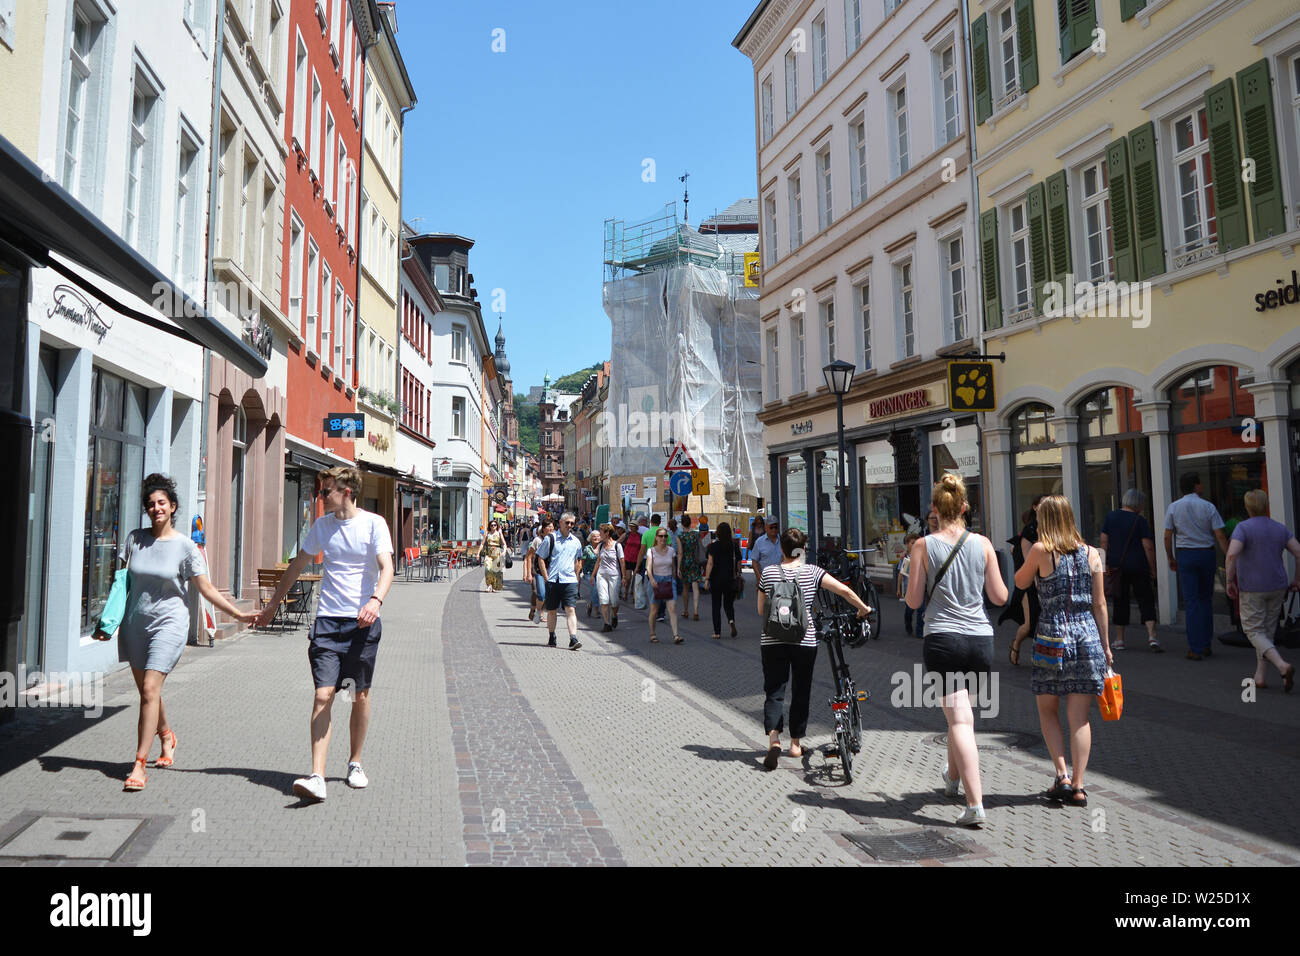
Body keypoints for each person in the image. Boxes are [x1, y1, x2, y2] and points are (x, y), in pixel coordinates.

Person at [93, 474, 257, 791]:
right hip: (135, 624)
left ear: (173, 507)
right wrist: (107, 623)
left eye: (162, 503)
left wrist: (237, 613)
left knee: (150, 690)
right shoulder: (135, 540)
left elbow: (205, 587)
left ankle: (139, 765)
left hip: (169, 625)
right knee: (148, 693)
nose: (156, 508)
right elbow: (120, 585)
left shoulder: (185, 547)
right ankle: (167, 735)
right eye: (151, 504)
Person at [256, 466, 395, 802]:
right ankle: (317, 775)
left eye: (326, 491)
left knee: (358, 695)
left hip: (362, 624)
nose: (321, 497)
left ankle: (355, 763)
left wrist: (376, 600)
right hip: (328, 623)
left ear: (346, 490)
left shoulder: (374, 524)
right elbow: (298, 565)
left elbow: (387, 567)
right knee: (323, 695)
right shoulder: (322, 527)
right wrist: (273, 604)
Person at [905, 474, 1008, 827]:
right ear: (965, 508)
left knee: (960, 719)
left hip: (944, 640)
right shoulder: (981, 543)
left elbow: (914, 600)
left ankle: (975, 804)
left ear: (935, 510)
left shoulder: (923, 545)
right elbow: (1000, 597)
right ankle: (951, 779)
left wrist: (911, 577)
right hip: (980, 641)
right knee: (959, 715)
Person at [1015, 495, 1111, 811]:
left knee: (1047, 710)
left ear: (1046, 522)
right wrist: (1107, 646)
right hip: (1087, 637)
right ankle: (1080, 787)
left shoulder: (1042, 550)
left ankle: (1062, 775)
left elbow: (1019, 582)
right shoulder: (1093, 553)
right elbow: (1100, 603)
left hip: (1051, 637)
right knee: (1080, 719)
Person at [759, 527, 872, 770]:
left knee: (774, 690)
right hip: (804, 640)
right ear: (803, 549)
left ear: (781, 548)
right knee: (801, 690)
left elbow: (761, 610)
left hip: (772, 641)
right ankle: (796, 744)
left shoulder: (768, 573)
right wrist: (863, 607)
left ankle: (774, 740)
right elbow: (843, 590)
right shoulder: (812, 572)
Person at [1225, 489, 1298, 691]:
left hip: (1252, 588)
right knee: (1267, 631)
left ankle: (1282, 666)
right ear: (1266, 505)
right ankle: (1260, 676)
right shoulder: (1279, 528)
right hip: (1278, 586)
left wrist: (1230, 581)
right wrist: (1297, 579)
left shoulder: (1243, 528)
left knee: (1253, 630)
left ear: (1247, 507)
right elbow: (1298, 552)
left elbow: (1231, 556)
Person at [1163, 472, 1229, 660]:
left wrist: (1170, 557)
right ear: (1196, 486)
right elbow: (1220, 535)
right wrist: (1230, 557)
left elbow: (1167, 536)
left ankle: (1195, 648)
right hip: (1206, 553)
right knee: (1205, 600)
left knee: (1191, 602)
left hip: (1185, 554)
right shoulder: (1208, 506)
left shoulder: (1174, 507)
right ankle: (1206, 644)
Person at [1099, 489, 1161, 652]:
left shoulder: (1110, 517)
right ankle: (1152, 636)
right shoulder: (1140, 520)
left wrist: (1103, 564)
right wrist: (1153, 569)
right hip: (1139, 566)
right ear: (1138, 504)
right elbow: (1148, 546)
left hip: (1116, 567)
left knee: (1120, 602)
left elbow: (1104, 541)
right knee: (1146, 599)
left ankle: (1119, 640)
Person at [1004, 497, 1044, 665]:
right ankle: (1016, 644)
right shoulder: (1029, 531)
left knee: (1045, 623)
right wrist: (1036, 580)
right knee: (1030, 624)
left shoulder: (1052, 529)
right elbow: (1029, 562)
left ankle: (1041, 657)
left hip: (1047, 581)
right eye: (1043, 503)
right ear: (1035, 507)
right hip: (1029, 583)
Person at [536, 512, 584, 650]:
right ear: (560, 523)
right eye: (567, 522)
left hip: (569, 581)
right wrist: (546, 578)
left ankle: (573, 638)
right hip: (553, 580)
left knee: (571, 609)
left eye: (572, 523)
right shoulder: (550, 539)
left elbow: (578, 560)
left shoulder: (575, 541)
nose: (569, 525)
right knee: (552, 611)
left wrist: (576, 575)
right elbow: (540, 558)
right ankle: (552, 636)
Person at [639, 524, 683, 643]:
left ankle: (676, 635)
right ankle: (653, 633)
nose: (663, 538)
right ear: (656, 538)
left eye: (665, 536)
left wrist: (674, 578)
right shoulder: (651, 551)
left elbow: (673, 567)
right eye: (661, 536)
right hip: (656, 582)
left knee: (672, 608)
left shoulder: (671, 551)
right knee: (654, 610)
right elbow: (648, 567)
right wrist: (652, 579)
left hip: (669, 581)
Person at [704, 521, 743, 639]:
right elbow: (739, 563)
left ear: (718, 533)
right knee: (728, 604)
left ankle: (717, 632)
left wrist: (706, 579)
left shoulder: (713, 546)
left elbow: (710, 563)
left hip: (716, 580)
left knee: (716, 605)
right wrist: (738, 574)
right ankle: (731, 621)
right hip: (730, 579)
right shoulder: (734, 546)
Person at [594, 523, 624, 632]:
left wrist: (624, 576)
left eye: (601, 532)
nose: (599, 534)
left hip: (614, 575)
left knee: (614, 600)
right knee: (604, 600)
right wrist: (593, 575)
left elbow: (622, 562)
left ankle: (614, 615)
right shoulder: (600, 546)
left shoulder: (617, 545)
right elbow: (598, 561)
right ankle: (606, 623)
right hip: (601, 575)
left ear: (607, 533)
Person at [526, 515, 555, 624]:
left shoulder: (555, 539)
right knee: (541, 594)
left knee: (548, 595)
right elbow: (528, 557)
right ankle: (536, 610)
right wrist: (528, 573)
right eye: (549, 527)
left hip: (551, 571)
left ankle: (540, 612)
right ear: (543, 528)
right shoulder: (538, 540)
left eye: (552, 527)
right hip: (538, 571)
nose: (551, 529)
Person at [678, 514, 703, 621]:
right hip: (695, 561)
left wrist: (678, 567)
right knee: (695, 586)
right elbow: (700, 547)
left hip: (685, 562)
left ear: (682, 524)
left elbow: (680, 552)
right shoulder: (696, 534)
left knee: (685, 587)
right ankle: (696, 611)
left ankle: (686, 610)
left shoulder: (680, 536)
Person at [750, 516, 782, 597]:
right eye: (771, 527)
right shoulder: (759, 542)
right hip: (766, 582)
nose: (774, 529)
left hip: (781, 582)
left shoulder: (783, 541)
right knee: (765, 608)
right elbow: (754, 562)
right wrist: (759, 578)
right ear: (766, 528)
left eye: (776, 527)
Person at [897, 532, 918, 635]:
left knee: (921, 609)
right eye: (912, 543)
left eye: (916, 543)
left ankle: (920, 630)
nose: (914, 545)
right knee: (910, 609)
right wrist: (898, 589)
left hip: (920, 586)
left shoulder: (921, 554)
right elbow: (901, 574)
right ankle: (908, 622)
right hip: (908, 587)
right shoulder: (905, 558)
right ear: (907, 544)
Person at [621, 517, 644, 601]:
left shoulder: (640, 536)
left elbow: (642, 548)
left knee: (635, 578)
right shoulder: (626, 534)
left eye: (633, 526)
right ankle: (625, 593)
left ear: (636, 527)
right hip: (627, 558)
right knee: (628, 578)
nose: (631, 527)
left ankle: (634, 596)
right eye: (630, 526)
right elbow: (618, 542)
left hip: (636, 560)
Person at [482, 520, 506, 592]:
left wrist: (504, 551)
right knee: (488, 569)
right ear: (489, 526)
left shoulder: (499, 534)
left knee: (496, 571)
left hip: (497, 553)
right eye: (492, 525)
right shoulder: (487, 534)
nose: (493, 526)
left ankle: (494, 586)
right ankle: (488, 585)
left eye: (495, 525)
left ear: (497, 526)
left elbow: (504, 544)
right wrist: (478, 553)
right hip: (488, 554)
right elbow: (482, 543)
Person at [582, 531, 600, 616]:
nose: (596, 538)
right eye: (594, 537)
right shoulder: (587, 549)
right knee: (594, 589)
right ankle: (597, 610)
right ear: (590, 538)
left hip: (600, 573)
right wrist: (578, 573)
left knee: (598, 591)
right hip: (589, 572)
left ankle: (590, 605)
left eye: (598, 536)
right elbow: (582, 561)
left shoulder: (602, 547)